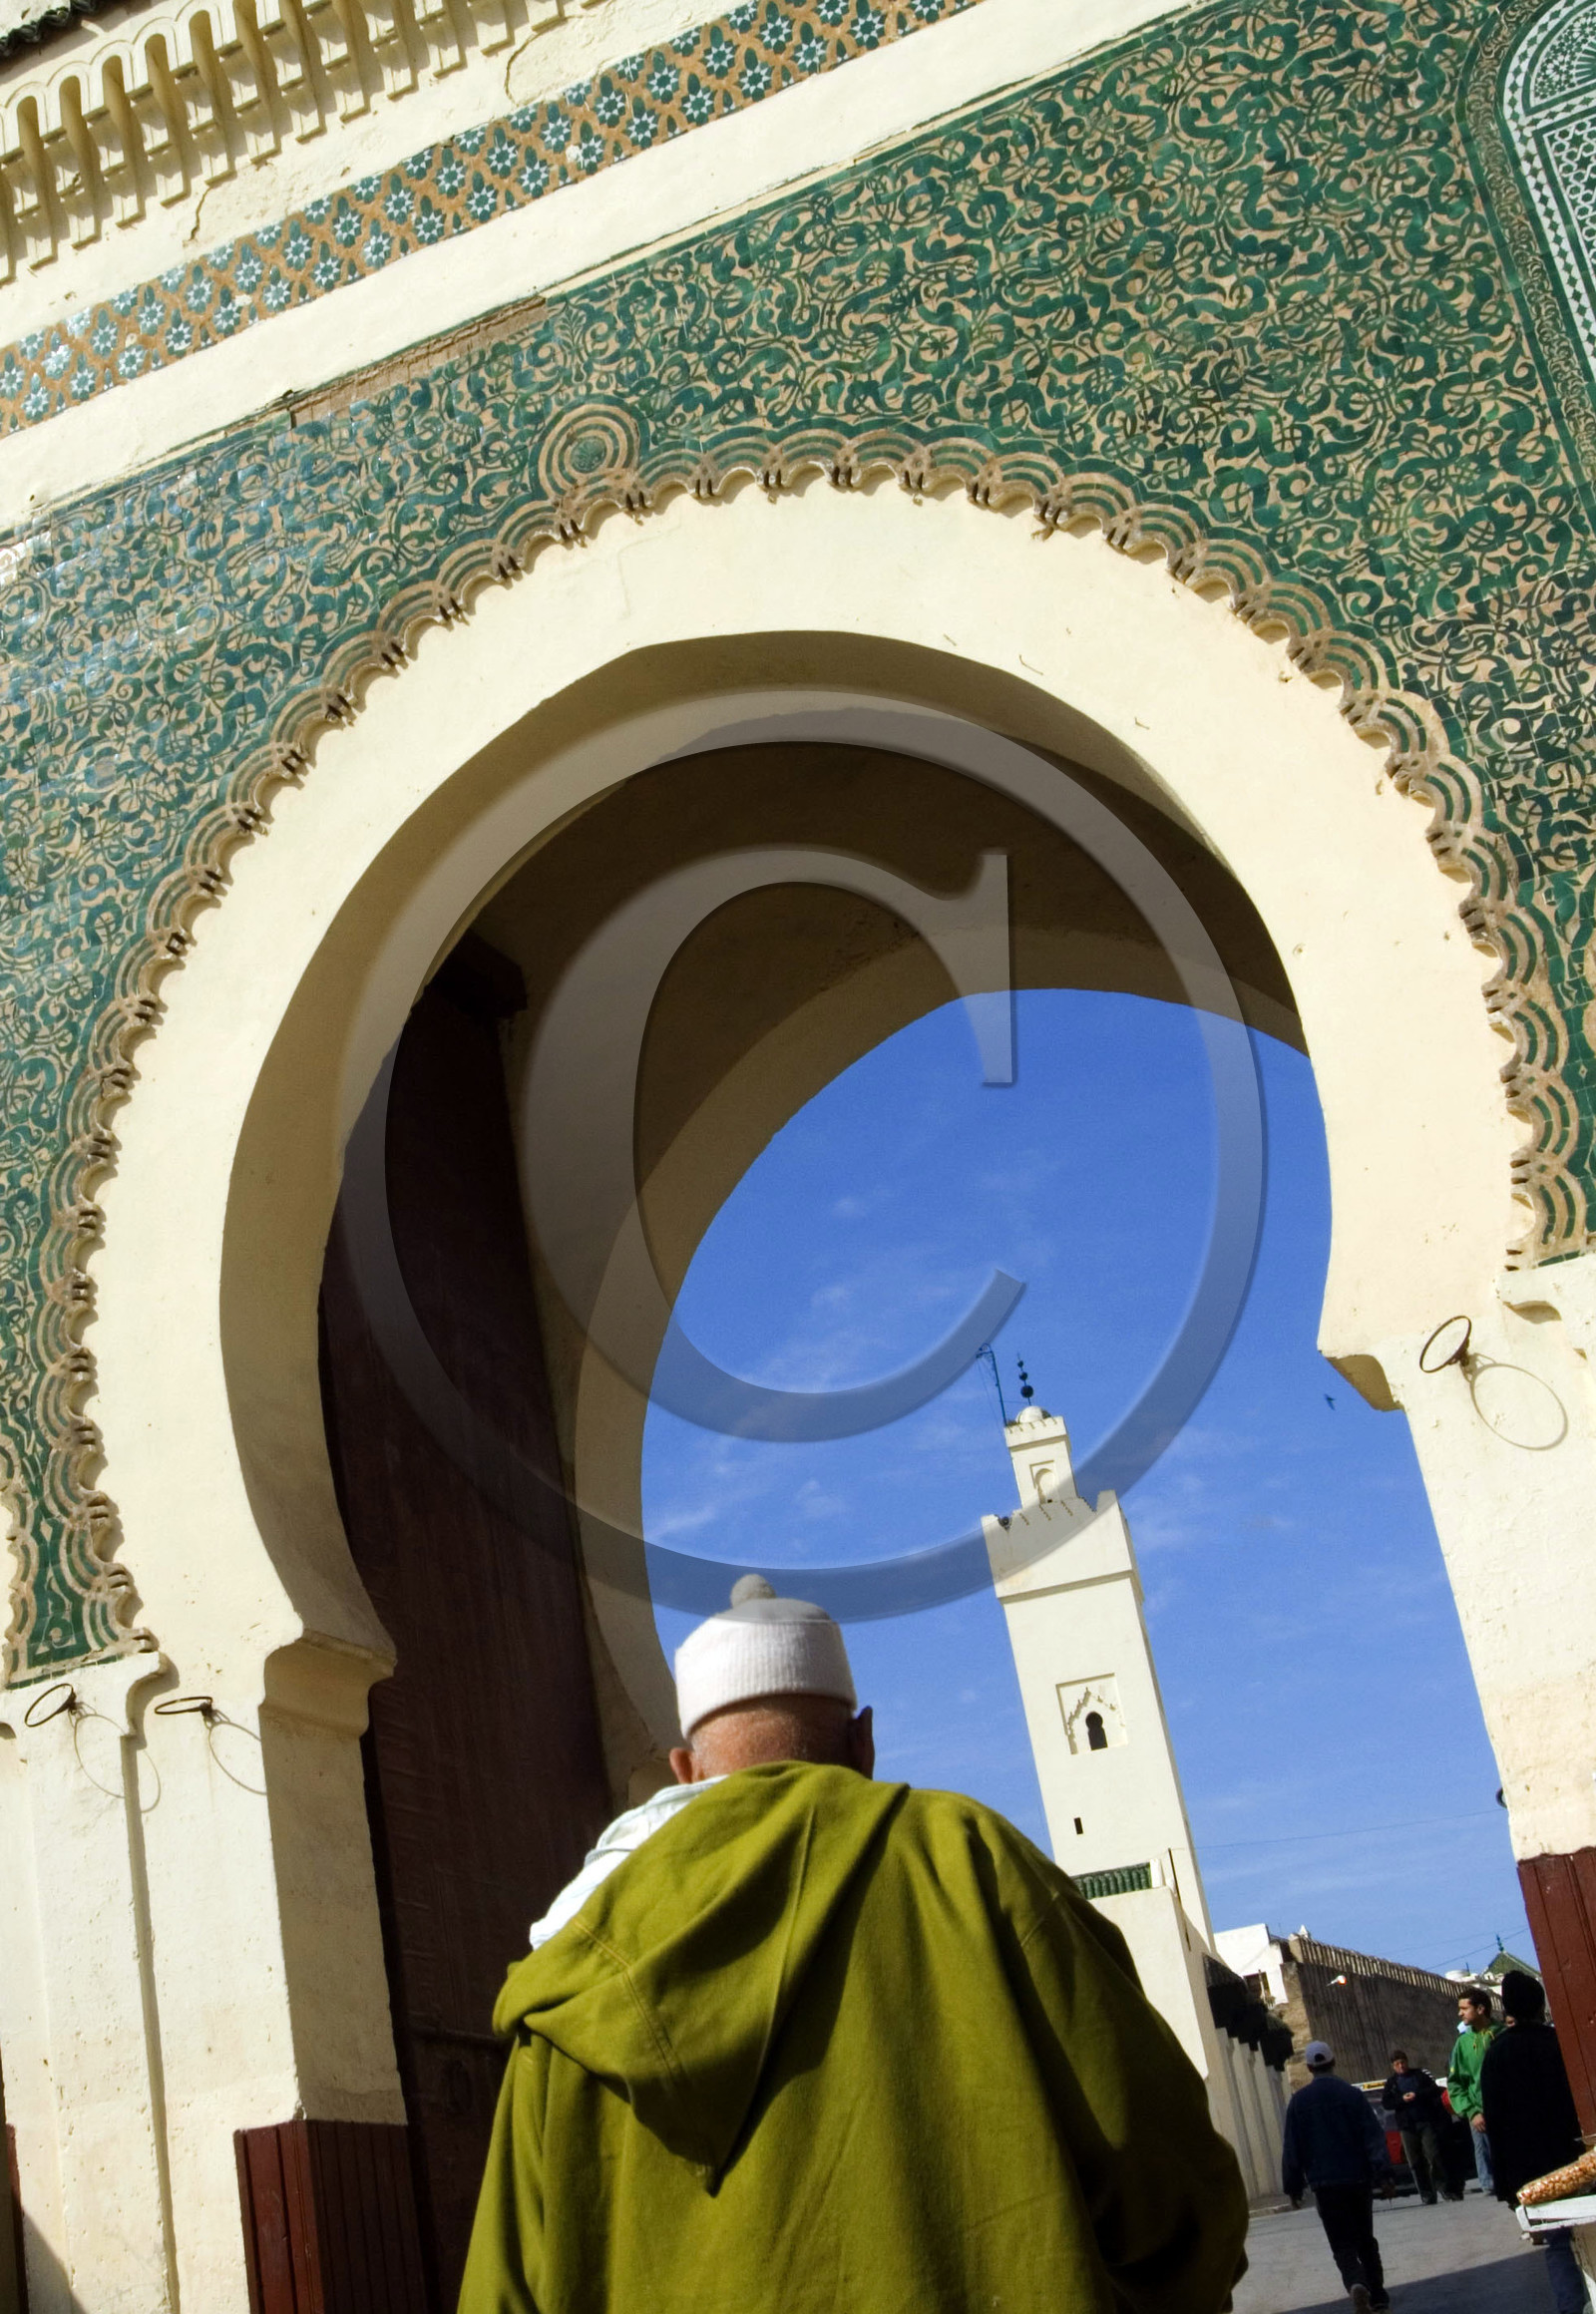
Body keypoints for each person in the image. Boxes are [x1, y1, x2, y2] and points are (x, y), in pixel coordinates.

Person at [459, 1576, 1251, 2313]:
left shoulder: (572, 1969)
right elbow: (1177, 2186)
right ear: (863, 1741)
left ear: (685, 1768)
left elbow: (503, 2287)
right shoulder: (976, 1864)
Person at [1481, 1969, 1588, 2314]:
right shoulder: (1557, 2043)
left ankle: (1571, 2308)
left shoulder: (1496, 2055)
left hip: (1530, 2172)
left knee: (1557, 2245)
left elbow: (1495, 2123)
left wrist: (1508, 2185)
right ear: (1540, 2004)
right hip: (1572, 2159)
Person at [1282, 2040, 1393, 2312]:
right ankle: (1377, 2295)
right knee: (1365, 2238)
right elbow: (1372, 2136)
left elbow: (1292, 2148)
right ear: (1333, 2062)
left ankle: (1355, 2281)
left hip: (1324, 2183)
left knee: (1341, 2242)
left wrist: (1293, 2186)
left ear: (1309, 2067)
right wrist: (1384, 2174)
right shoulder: (1351, 2095)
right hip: (1357, 2179)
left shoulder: (1299, 2102)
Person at [1381, 2049, 1458, 2203]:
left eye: (1403, 2062)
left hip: (1425, 2121)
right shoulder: (1392, 2083)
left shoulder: (1419, 2075)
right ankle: (1426, 2193)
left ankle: (1444, 2188)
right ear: (1393, 2066)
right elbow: (1387, 2103)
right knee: (1415, 2162)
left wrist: (1418, 2095)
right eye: (1397, 2064)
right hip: (1407, 2126)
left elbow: (1434, 2090)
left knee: (1433, 2155)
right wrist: (1402, 2099)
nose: (1401, 2066)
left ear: (1407, 2062)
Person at [1449, 1985, 1501, 2192]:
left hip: (1506, 2111)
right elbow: (1456, 2083)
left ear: (1480, 2009)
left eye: (1464, 2008)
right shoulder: (1463, 2043)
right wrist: (1472, 2111)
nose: (1460, 2013)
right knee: (1484, 2154)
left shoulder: (1501, 2035)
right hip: (1479, 2114)